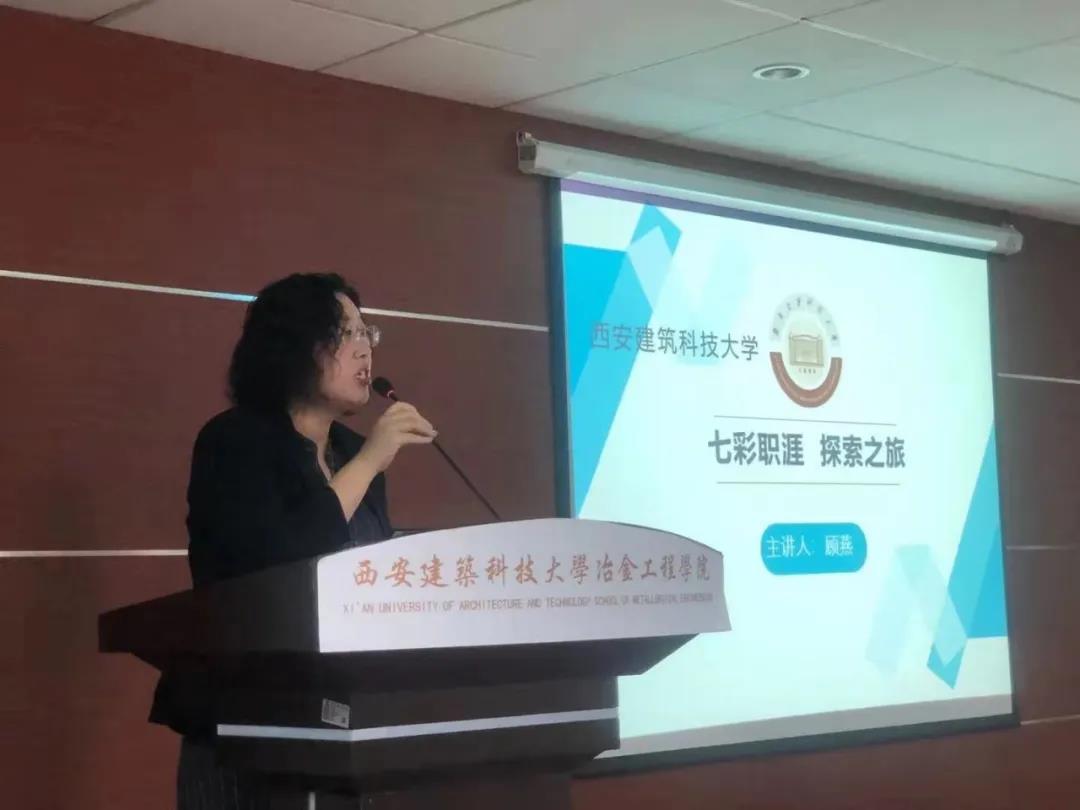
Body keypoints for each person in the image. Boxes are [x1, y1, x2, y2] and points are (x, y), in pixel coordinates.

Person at [149, 272, 437, 809]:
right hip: (245, 723)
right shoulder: (235, 441)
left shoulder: (352, 448)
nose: (365, 350)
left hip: (343, 719)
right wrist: (370, 461)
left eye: (367, 333)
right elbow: (282, 562)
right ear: (293, 345)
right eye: (346, 333)